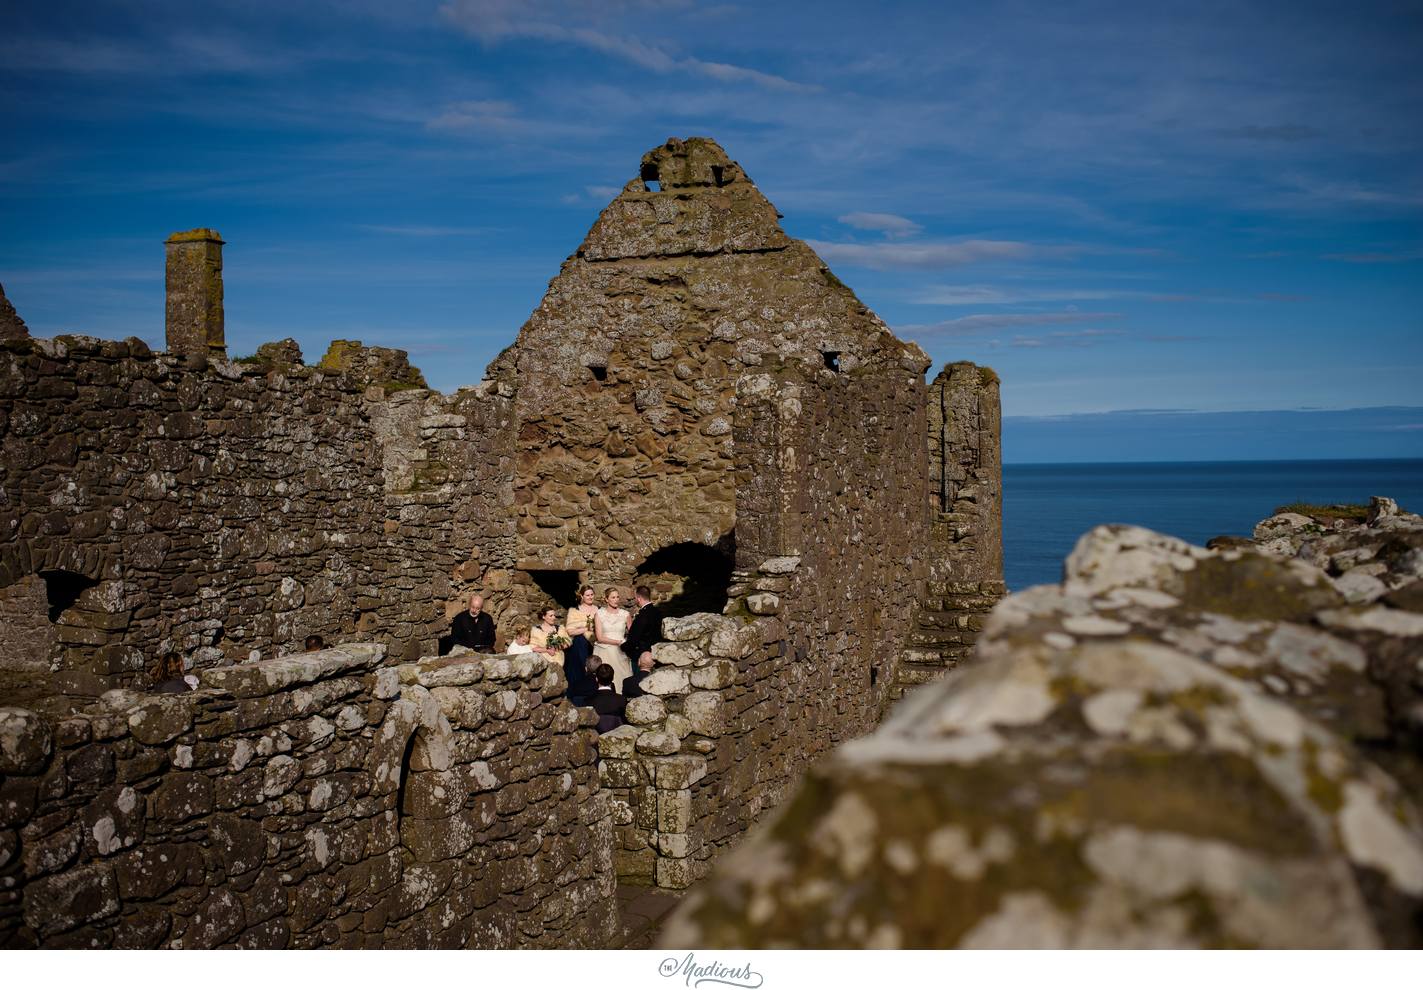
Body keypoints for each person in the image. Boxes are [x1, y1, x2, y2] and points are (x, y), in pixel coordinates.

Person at [620, 585, 664, 698]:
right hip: (655, 653)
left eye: (636, 598)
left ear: (639, 598)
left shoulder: (642, 616)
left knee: (638, 685)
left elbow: (634, 638)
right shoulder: (658, 612)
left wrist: (623, 647)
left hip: (640, 655)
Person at [563, 585, 599, 704]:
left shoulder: (598, 610)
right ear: (582, 596)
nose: (590, 597)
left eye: (591, 594)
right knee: (579, 643)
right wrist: (585, 629)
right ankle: (577, 695)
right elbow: (570, 630)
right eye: (587, 595)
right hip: (580, 646)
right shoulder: (574, 611)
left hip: (595, 642)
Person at [593, 587, 633, 692]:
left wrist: (626, 644)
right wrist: (618, 642)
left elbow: (633, 634)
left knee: (622, 679)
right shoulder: (599, 614)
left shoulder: (625, 614)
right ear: (606, 599)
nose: (616, 600)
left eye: (617, 597)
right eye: (613, 597)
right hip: (604, 649)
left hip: (620, 651)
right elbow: (599, 637)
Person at [588, 663, 626, 733]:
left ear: (596, 679)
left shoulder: (588, 701)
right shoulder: (621, 700)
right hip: (617, 738)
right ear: (612, 678)